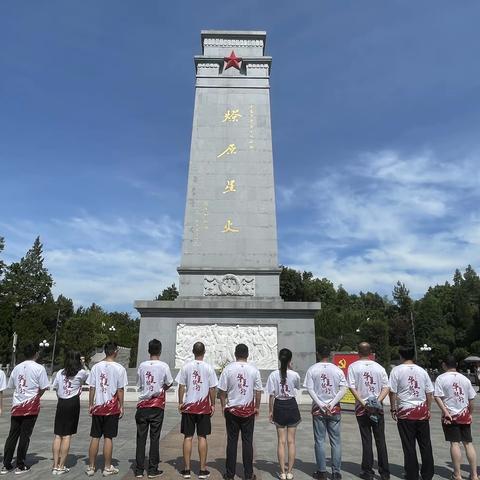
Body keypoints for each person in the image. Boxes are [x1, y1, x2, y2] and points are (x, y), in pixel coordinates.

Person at [0, 343, 49, 475]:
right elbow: (44, 386)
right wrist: (37, 396)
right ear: (36, 354)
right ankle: (20, 464)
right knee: (25, 435)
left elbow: (12, 385)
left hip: (17, 404)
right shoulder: (39, 368)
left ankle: (6, 464)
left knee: (12, 435)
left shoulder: (17, 368)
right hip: (30, 405)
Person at [218, 343, 262, 480]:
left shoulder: (228, 369)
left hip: (232, 410)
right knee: (247, 442)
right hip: (248, 411)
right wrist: (257, 407)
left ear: (235, 354)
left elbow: (222, 391)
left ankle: (230, 474)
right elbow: (258, 391)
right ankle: (248, 474)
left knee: (232, 441)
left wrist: (223, 406)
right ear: (247, 355)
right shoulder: (254, 370)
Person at [389, 346, 434, 480]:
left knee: (409, 445)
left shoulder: (396, 370)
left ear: (401, 356)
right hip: (421, 412)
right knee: (425, 444)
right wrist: (428, 409)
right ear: (413, 356)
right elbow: (429, 393)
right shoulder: (422, 371)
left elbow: (392, 392)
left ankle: (412, 474)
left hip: (405, 412)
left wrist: (393, 408)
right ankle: (427, 474)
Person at [304, 345, 347, 480]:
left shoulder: (312, 369)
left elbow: (310, 389)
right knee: (336, 441)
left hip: (319, 410)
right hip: (334, 410)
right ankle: (336, 472)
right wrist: (332, 404)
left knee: (320, 441)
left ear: (317, 354)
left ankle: (322, 472)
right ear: (330, 354)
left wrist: (321, 404)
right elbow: (343, 389)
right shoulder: (337, 370)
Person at [347, 342, 390, 480]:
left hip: (362, 407)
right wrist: (377, 401)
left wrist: (363, 402)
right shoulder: (379, 367)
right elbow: (386, 387)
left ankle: (367, 471)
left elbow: (352, 387)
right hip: (377, 407)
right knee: (380, 439)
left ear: (358, 352)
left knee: (366, 439)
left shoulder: (353, 367)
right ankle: (385, 473)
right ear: (370, 352)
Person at [176, 342, 218, 479]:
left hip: (189, 407)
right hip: (203, 408)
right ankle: (202, 470)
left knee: (188, 437)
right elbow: (212, 388)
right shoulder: (208, 368)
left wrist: (181, 402)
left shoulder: (186, 367)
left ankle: (187, 470)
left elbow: (181, 386)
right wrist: (213, 404)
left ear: (193, 351)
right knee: (202, 437)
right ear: (204, 352)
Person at [85, 341, 128, 477]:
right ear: (115, 351)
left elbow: (92, 387)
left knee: (95, 437)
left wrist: (91, 404)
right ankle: (107, 467)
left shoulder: (96, 367)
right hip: (111, 407)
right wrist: (122, 406)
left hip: (98, 406)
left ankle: (91, 467)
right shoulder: (119, 368)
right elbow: (120, 390)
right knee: (108, 437)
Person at [434, 355, 478, 480]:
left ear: (444, 365)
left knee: (455, 443)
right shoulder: (465, 379)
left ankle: (457, 474)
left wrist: (445, 411)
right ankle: (474, 475)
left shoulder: (441, 378)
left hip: (450, 415)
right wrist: (469, 413)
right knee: (468, 443)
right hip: (464, 414)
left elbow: (437, 396)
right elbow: (471, 399)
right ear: (456, 365)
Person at [135, 339, 173, 478]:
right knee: (154, 438)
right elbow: (169, 382)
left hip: (142, 406)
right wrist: (162, 388)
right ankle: (152, 469)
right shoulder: (163, 366)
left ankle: (139, 470)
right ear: (160, 350)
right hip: (156, 406)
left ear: (149, 350)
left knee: (140, 438)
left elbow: (139, 384)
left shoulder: (142, 366)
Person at [51, 350, 89, 475]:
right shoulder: (81, 372)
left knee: (58, 435)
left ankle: (55, 465)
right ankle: (62, 465)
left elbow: (55, 388)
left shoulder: (60, 373)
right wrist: (83, 364)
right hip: (72, 403)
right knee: (67, 435)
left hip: (61, 402)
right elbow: (89, 378)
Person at [266, 348, 301, 480]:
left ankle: (281, 472)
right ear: (290, 360)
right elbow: (296, 388)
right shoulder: (295, 375)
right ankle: (290, 471)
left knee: (281, 441)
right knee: (291, 441)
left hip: (279, 405)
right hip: (291, 404)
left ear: (280, 359)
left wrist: (270, 411)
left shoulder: (273, 375)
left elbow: (271, 395)